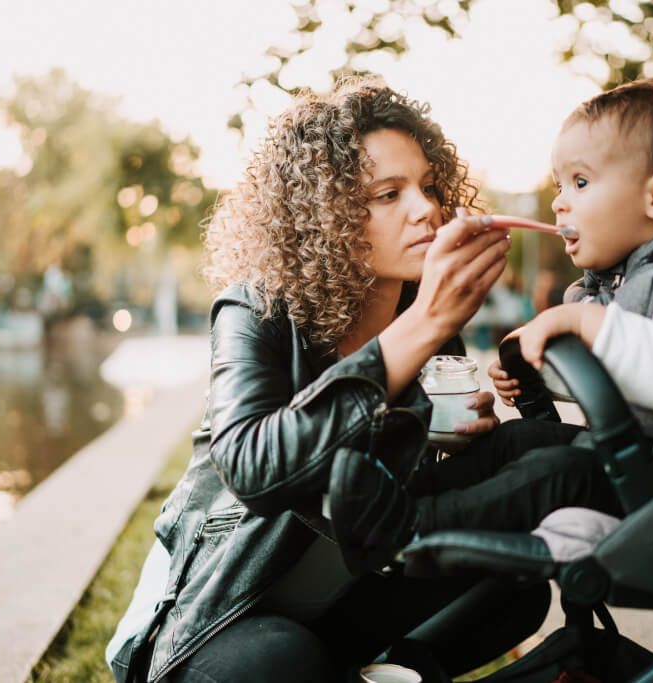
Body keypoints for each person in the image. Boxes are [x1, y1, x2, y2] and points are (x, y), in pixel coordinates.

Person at [106, 77, 552, 683]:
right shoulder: (255, 310)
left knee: (517, 579)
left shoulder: (420, 311)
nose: (426, 209)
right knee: (282, 658)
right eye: (387, 194)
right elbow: (254, 466)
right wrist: (426, 323)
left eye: (426, 186)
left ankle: (388, 674)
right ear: (324, 216)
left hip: (345, 595)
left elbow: (402, 497)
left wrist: (453, 439)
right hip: (230, 615)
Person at [329, 70, 653, 564]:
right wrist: (539, 372)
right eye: (559, 184)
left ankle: (405, 529)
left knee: (554, 475)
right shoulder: (639, 276)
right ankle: (397, 499)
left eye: (580, 182)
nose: (559, 201)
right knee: (520, 439)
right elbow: (626, 367)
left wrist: (584, 326)